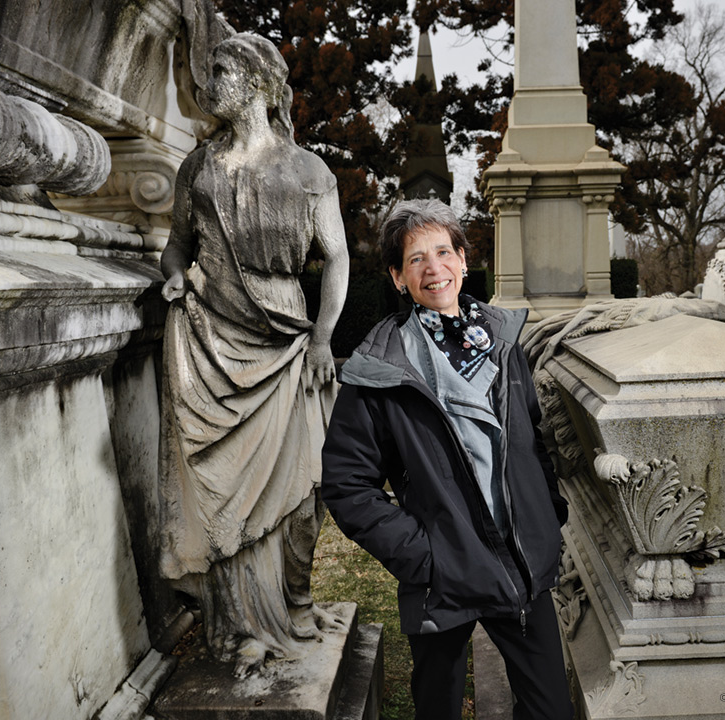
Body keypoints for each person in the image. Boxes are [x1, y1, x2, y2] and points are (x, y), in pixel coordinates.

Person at [321, 199, 573, 719]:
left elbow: (533, 442)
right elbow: (347, 485)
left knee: (551, 710)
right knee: (437, 709)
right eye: (415, 259)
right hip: (443, 578)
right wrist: (423, 557)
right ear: (397, 277)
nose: (432, 268)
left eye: (442, 252)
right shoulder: (378, 368)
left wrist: (547, 517)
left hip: (520, 567)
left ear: (462, 259)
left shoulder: (505, 344)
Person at [157, 32, 349, 679]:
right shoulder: (199, 168)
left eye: (224, 71)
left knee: (301, 495)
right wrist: (175, 275)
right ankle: (245, 627)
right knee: (225, 496)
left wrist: (322, 335)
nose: (212, 85)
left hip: (286, 345)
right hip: (213, 343)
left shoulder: (307, 171)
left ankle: (293, 603)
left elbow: (339, 256)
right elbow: (176, 245)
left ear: (263, 83)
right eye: (209, 73)